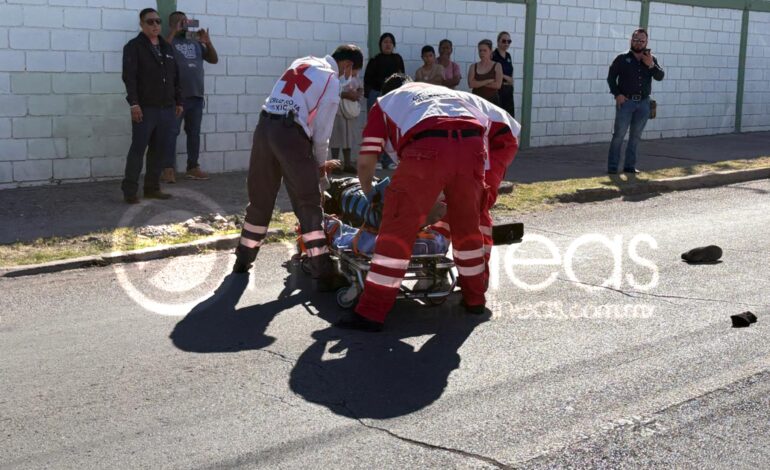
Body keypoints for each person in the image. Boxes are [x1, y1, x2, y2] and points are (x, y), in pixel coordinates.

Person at [335, 75, 491, 332]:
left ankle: (371, 313)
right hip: (473, 145)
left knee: (397, 230)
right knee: (467, 228)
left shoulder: (385, 102)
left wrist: (370, 193)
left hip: (428, 146)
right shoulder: (441, 93)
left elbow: (365, 161)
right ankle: (475, 299)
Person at [232, 45, 364, 294]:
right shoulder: (331, 81)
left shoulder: (304, 61)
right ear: (346, 65)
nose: (350, 78)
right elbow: (323, 133)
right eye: (352, 72)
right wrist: (320, 164)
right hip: (291, 134)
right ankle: (322, 271)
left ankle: (243, 259)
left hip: (265, 127)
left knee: (260, 198)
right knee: (308, 202)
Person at [121, 7, 182, 204]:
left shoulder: (166, 47)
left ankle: (152, 188)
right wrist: (134, 104)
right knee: (138, 149)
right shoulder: (134, 47)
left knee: (159, 149)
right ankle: (130, 191)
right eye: (150, 22)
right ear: (141, 24)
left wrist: (178, 101)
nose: (155, 25)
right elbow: (129, 77)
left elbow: (175, 76)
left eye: (157, 21)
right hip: (145, 108)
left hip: (166, 108)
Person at [158, 11, 219, 183]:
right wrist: (174, 32)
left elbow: (213, 60)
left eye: (186, 22)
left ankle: (193, 167)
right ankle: (167, 169)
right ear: (172, 24)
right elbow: (161, 52)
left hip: (196, 96)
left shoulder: (195, 41)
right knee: (171, 132)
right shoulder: (168, 41)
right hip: (177, 98)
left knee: (194, 133)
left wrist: (208, 42)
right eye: (180, 22)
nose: (184, 24)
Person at [606, 29, 664, 174]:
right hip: (626, 102)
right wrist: (617, 94)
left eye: (641, 41)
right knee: (619, 135)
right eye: (635, 40)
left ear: (647, 42)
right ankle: (613, 167)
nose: (638, 43)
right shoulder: (621, 58)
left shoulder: (651, 59)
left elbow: (660, 76)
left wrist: (651, 64)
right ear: (631, 40)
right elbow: (611, 78)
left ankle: (629, 166)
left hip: (644, 103)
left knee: (635, 136)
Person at [363, 33, 405, 170]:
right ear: (380, 45)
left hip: (394, 97)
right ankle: (377, 159)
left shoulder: (398, 59)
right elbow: (367, 81)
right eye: (385, 42)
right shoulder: (374, 60)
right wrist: (371, 95)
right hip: (377, 96)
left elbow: (402, 77)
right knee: (377, 129)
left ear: (393, 45)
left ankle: (390, 159)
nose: (387, 44)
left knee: (391, 128)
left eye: (390, 42)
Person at [330, 67, 363, 174]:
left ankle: (347, 164)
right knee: (336, 137)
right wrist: (346, 95)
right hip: (337, 111)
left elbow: (360, 89)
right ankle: (334, 165)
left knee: (348, 138)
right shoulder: (337, 77)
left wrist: (357, 94)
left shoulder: (357, 78)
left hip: (350, 112)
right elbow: (333, 91)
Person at [468, 39, 503, 106]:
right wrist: (487, 81)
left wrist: (478, 83)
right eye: (480, 51)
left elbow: (498, 85)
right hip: (477, 101)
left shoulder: (497, 66)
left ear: (490, 51)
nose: (482, 53)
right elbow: (471, 84)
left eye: (485, 50)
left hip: (492, 102)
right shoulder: (473, 66)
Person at [492, 31, 515, 117]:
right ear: (498, 42)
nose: (506, 43)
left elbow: (511, 77)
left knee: (509, 117)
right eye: (504, 41)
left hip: (508, 90)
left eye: (509, 41)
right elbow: (493, 74)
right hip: (498, 91)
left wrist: (504, 76)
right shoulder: (493, 56)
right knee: (499, 117)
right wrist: (505, 77)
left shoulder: (508, 56)